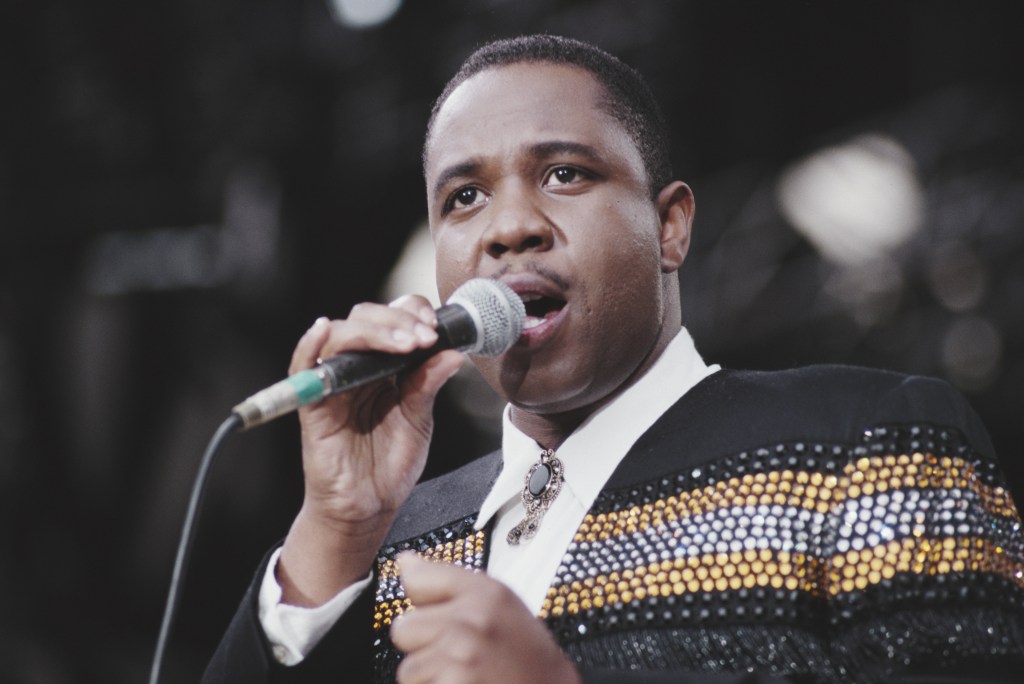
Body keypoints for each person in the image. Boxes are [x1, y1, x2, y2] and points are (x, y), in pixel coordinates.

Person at [204, 35, 1024, 683]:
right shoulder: (389, 543)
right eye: (464, 197)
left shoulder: (867, 444)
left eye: (564, 174)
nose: (508, 226)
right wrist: (335, 528)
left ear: (670, 228)